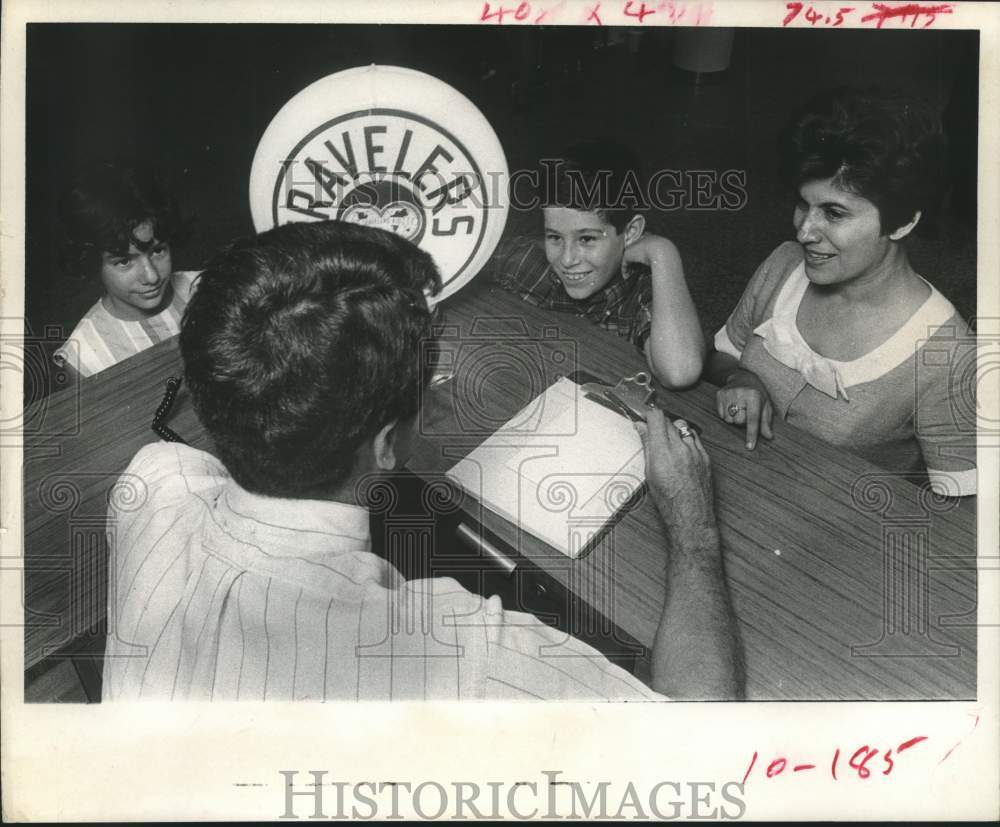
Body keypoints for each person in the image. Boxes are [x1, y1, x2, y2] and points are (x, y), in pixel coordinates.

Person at [102, 220, 743, 702]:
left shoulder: (155, 481)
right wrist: (692, 527)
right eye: (427, 396)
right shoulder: (467, 656)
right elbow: (699, 745)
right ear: (387, 445)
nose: (434, 405)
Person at [704, 88, 976, 497]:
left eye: (834, 213)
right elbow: (719, 356)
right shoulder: (783, 264)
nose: (804, 231)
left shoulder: (950, 355)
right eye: (803, 204)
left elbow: (963, 510)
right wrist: (740, 376)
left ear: (903, 222)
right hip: (732, 484)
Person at [486, 139, 705, 388]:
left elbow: (680, 372)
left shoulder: (642, 291)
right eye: (555, 237)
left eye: (587, 239)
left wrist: (663, 252)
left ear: (631, 232)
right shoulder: (525, 259)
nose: (567, 260)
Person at [53, 162, 199, 379]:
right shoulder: (84, 355)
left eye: (158, 251)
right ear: (92, 263)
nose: (151, 276)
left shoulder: (207, 287)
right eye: (124, 262)